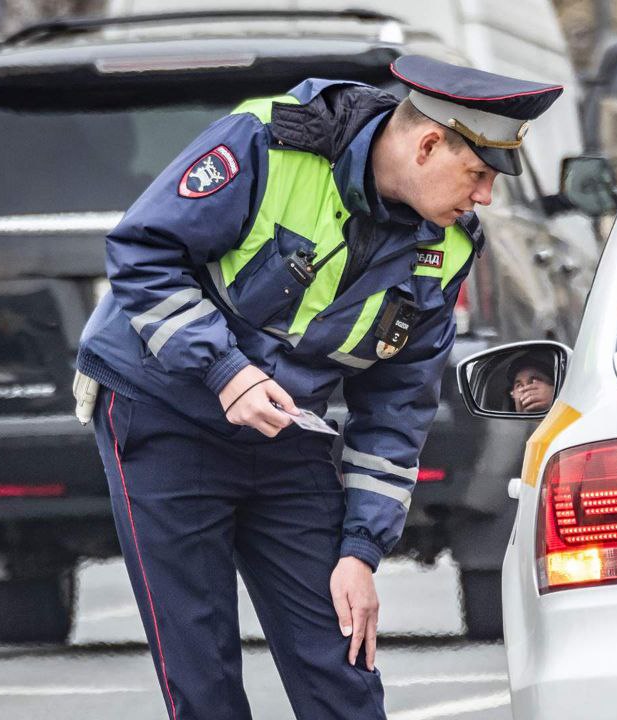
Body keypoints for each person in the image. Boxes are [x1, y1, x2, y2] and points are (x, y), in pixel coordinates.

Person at [74, 55, 562, 720]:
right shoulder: (268, 145)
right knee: (203, 673)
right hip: (163, 414)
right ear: (426, 145)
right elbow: (142, 254)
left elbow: (397, 406)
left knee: (341, 667)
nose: (484, 197)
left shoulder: (447, 247)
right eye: (478, 174)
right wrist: (225, 371)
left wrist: (361, 550)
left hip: (285, 432)